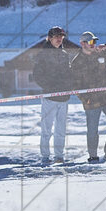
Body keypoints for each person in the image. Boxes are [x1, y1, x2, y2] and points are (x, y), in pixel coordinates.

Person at [71, 32, 106, 163]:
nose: (93, 44)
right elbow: (76, 85)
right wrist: (85, 99)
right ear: (82, 44)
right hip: (92, 101)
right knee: (92, 130)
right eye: (90, 42)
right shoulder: (77, 62)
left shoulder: (102, 54)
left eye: (94, 41)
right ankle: (93, 156)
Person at [31, 26, 78, 164]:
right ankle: (45, 157)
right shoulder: (42, 55)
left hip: (64, 98)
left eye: (61, 37)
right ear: (50, 38)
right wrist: (51, 87)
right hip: (49, 98)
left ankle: (59, 156)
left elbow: (69, 75)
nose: (59, 39)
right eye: (56, 36)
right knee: (46, 129)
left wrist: (69, 86)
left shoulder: (64, 54)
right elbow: (37, 76)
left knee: (61, 129)